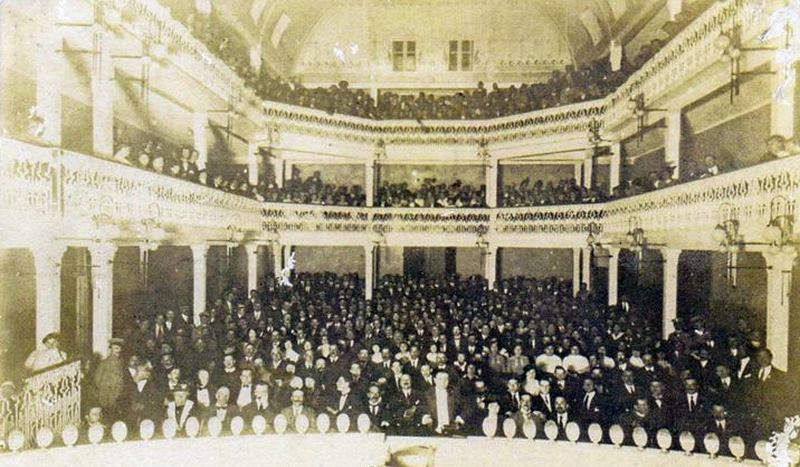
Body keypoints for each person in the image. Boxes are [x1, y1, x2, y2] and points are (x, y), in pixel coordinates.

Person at [93, 338, 126, 421]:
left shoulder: (122, 362)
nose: (118, 351)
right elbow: (97, 380)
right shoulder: (104, 363)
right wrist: (106, 390)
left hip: (118, 396)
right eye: (115, 348)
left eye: (119, 348)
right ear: (111, 349)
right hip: (107, 397)